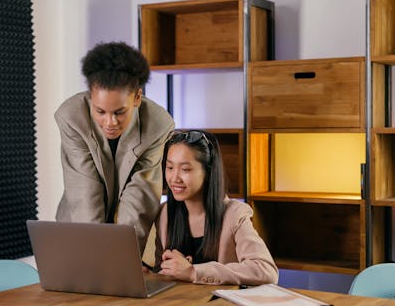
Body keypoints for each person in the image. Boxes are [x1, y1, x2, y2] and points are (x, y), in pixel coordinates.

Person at [54, 41, 174, 253]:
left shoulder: (158, 125)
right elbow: (85, 192)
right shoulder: (71, 117)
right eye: (100, 111)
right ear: (90, 96)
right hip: (79, 226)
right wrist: (96, 257)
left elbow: (140, 196)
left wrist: (122, 255)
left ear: (137, 97)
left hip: (130, 227)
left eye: (119, 112)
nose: (110, 122)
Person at [155, 130, 278, 285]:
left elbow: (266, 271)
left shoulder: (234, 215)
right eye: (170, 167)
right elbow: (161, 270)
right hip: (179, 304)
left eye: (185, 169)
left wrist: (194, 272)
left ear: (208, 171)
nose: (174, 178)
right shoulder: (164, 214)